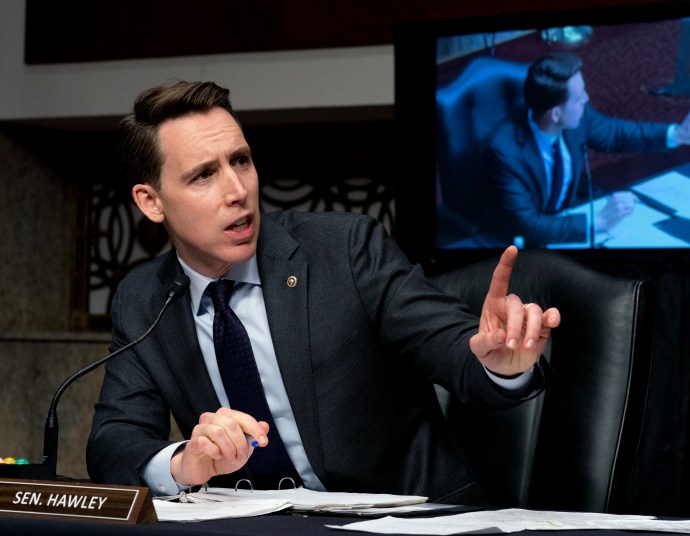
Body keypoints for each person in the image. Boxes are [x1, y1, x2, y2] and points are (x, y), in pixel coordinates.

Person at [86, 80, 561, 505]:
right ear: (151, 202)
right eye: (203, 175)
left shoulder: (345, 249)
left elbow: (452, 346)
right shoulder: (143, 297)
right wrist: (183, 463)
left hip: (402, 521)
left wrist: (499, 366)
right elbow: (114, 442)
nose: (237, 191)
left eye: (242, 161)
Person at [483, 51, 690, 246]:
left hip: (566, 222)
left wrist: (677, 134)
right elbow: (527, 224)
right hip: (520, 247)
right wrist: (598, 222)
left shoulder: (575, 119)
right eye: (578, 97)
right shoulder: (505, 150)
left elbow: (617, 134)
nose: (586, 99)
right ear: (555, 113)